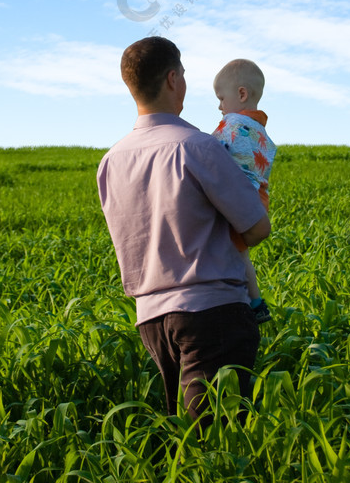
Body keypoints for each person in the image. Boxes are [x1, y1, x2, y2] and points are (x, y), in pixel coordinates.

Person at [97, 37, 271, 422]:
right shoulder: (199, 147)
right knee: (219, 445)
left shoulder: (111, 162)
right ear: (174, 79)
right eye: (186, 76)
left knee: (188, 442)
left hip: (151, 320)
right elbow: (257, 229)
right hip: (213, 313)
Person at [211, 58, 277, 325]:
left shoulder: (233, 125)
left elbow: (213, 152)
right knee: (241, 253)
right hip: (258, 198)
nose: (219, 106)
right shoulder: (259, 129)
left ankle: (251, 301)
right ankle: (256, 300)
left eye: (221, 98)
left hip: (240, 198)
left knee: (229, 250)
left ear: (241, 94)